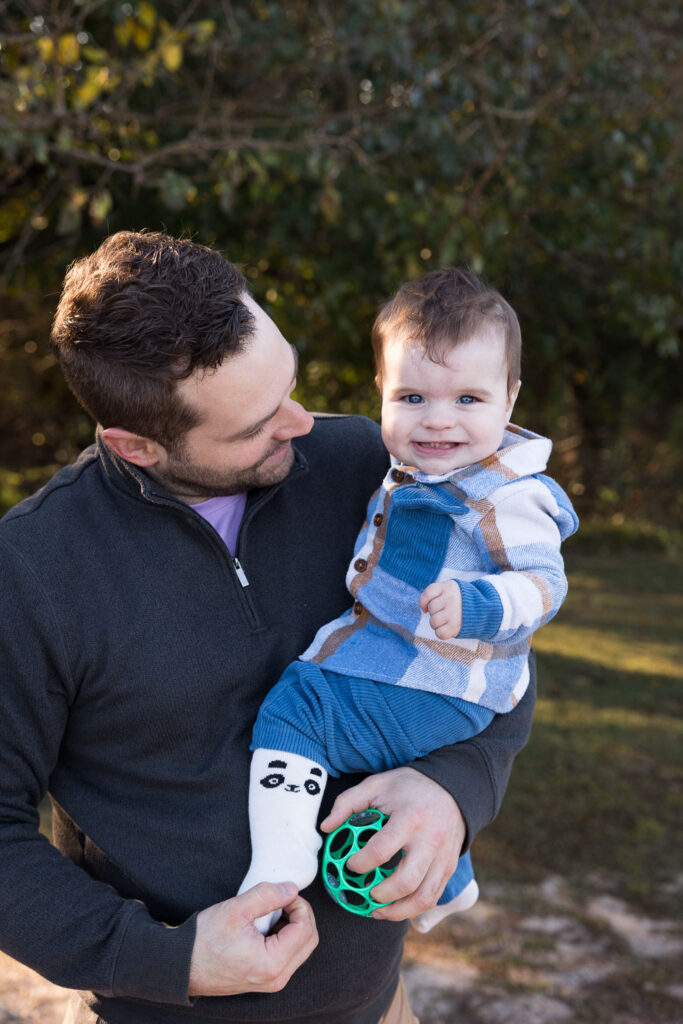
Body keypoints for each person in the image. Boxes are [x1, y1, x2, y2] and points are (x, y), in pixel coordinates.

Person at [0, 232, 538, 1024]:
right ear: (136, 445)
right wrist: (165, 958)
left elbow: (497, 645)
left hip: (377, 1007)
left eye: (290, 384)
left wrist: (456, 791)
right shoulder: (33, 570)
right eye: (255, 424)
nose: (300, 422)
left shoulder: (373, 465)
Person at [238, 269, 578, 935]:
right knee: (385, 761)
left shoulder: (506, 495)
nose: (438, 420)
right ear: (382, 394)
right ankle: (448, 881)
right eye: (413, 396)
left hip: (441, 679)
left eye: (469, 399)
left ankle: (278, 869)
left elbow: (544, 584)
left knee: (299, 708)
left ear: (509, 398)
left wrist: (477, 604)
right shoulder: (410, 468)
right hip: (400, 661)